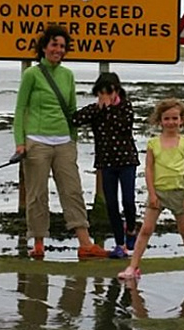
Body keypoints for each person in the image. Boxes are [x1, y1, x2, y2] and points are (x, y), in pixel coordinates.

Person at [13, 24, 108, 260]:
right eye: (54, 44)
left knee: (72, 191)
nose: (58, 49)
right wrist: (20, 143)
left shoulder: (68, 75)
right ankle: (38, 243)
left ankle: (85, 244)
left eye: (62, 46)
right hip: (36, 141)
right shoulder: (31, 74)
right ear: (44, 47)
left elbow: (73, 109)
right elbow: (20, 109)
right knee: (37, 194)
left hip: (65, 141)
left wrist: (73, 138)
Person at [118, 98, 184, 280]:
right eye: (167, 118)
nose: (171, 122)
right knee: (146, 229)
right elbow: (149, 169)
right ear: (160, 120)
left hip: (179, 192)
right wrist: (152, 194)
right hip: (158, 192)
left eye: (175, 118)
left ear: (182, 120)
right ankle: (133, 267)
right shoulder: (153, 143)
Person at [71, 72, 140, 259]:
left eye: (109, 91)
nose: (105, 96)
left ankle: (132, 229)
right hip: (106, 163)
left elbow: (122, 126)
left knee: (128, 201)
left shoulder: (126, 106)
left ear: (116, 90)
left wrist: (106, 109)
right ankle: (120, 244)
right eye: (101, 92)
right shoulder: (96, 109)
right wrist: (97, 109)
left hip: (127, 160)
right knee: (111, 204)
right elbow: (75, 119)